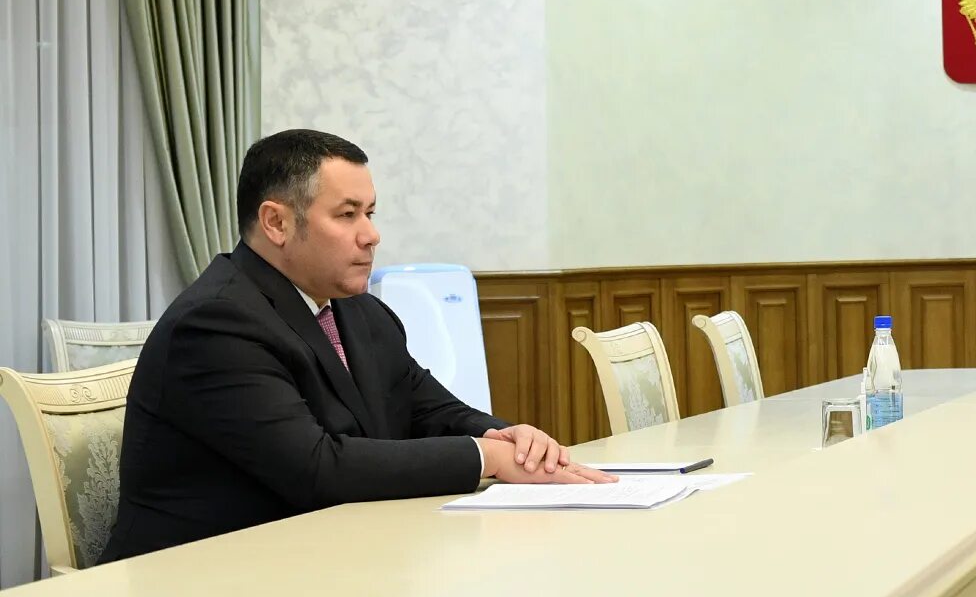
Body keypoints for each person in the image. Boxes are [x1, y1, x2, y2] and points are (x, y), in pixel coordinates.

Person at [102, 129, 612, 562]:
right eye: (347, 216)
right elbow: (318, 468)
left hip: (323, 562)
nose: (372, 235)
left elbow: (428, 408)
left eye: (370, 212)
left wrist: (510, 439)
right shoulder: (216, 323)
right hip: (201, 585)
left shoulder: (357, 309)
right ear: (277, 222)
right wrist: (487, 459)